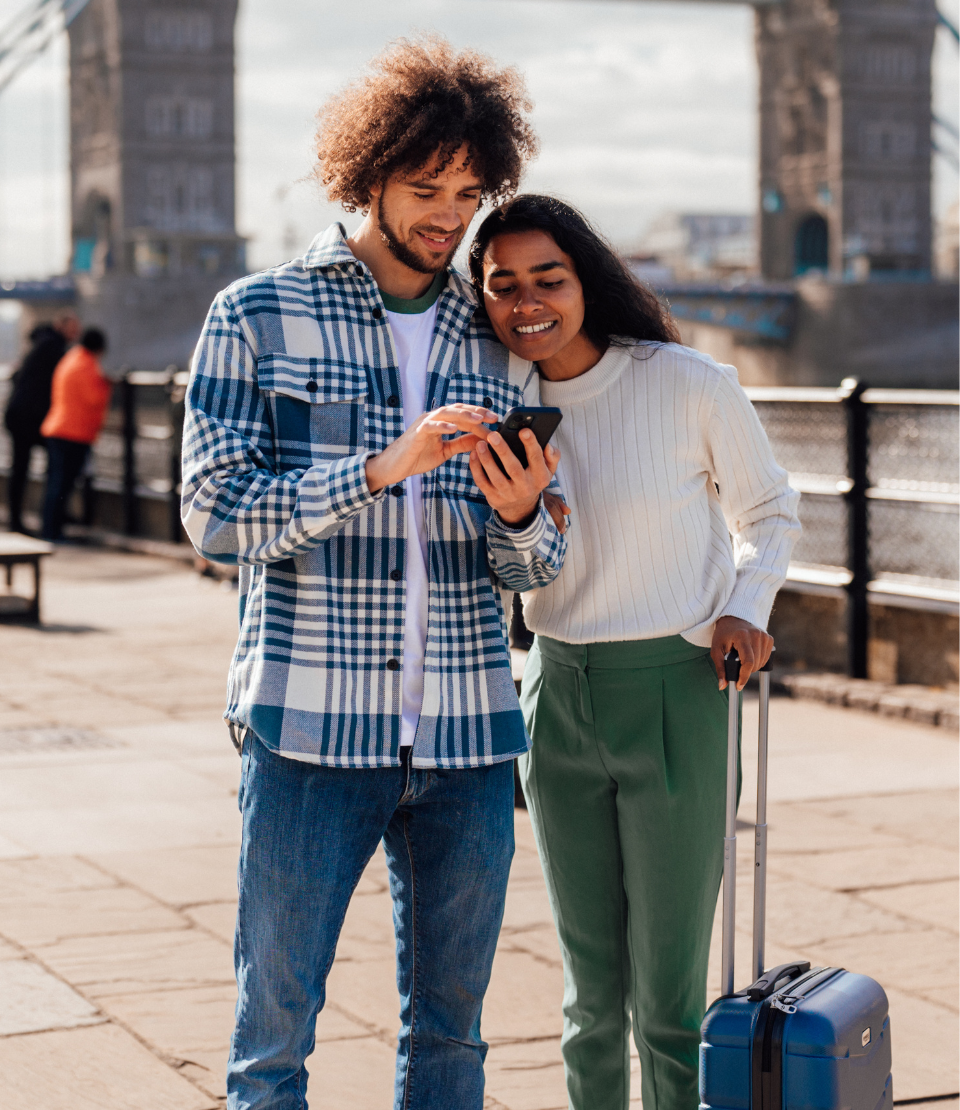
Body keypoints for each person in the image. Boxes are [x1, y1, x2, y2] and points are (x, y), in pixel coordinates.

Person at [180, 38, 565, 1110]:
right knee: (273, 1043)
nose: (451, 215)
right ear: (367, 178)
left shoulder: (498, 342)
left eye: (470, 191)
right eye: (425, 188)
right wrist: (382, 468)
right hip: (308, 731)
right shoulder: (255, 315)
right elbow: (213, 517)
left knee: (454, 1041)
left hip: (470, 738)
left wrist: (525, 516)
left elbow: (532, 567)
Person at [469, 194, 801, 1110]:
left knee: (668, 994)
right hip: (554, 692)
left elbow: (769, 511)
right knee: (588, 995)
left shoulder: (688, 381)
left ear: (587, 280)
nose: (527, 302)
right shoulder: (499, 404)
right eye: (503, 286)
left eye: (548, 279)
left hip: (675, 692)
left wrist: (746, 605)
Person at [3, 312, 80, 533]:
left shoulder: (41, 344)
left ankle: (24, 518)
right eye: (72, 328)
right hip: (28, 418)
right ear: (60, 326)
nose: (76, 333)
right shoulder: (53, 348)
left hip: (21, 415)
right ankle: (49, 515)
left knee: (24, 468)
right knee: (56, 460)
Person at [39, 327, 111, 542]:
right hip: (72, 433)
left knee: (56, 482)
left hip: (59, 429)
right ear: (98, 348)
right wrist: (106, 385)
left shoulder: (71, 359)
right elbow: (94, 398)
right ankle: (52, 532)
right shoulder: (85, 366)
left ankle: (50, 529)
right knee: (61, 484)